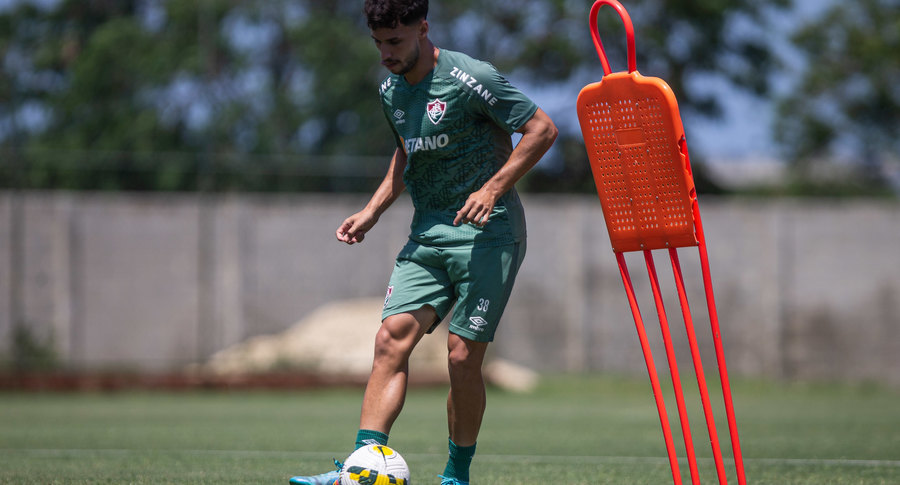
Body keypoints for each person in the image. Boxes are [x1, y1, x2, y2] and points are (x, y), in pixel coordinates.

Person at [289, 1, 557, 484]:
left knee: (462, 356)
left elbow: (542, 129)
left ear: (423, 28)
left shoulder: (471, 77)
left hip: (488, 233)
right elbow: (406, 151)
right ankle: (359, 469)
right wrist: (372, 211)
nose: (385, 54)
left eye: (395, 41)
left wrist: (492, 188)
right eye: (378, 43)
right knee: (389, 339)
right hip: (427, 234)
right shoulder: (390, 90)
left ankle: (456, 476)